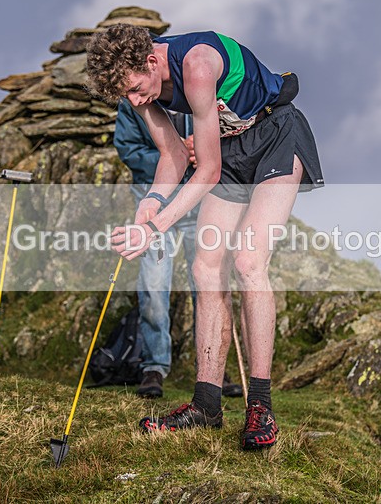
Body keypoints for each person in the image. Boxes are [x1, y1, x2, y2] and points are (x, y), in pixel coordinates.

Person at [87, 25, 324, 450]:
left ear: (151, 60)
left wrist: (153, 228)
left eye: (139, 89)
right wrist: (153, 202)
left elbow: (206, 170)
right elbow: (174, 154)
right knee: (205, 265)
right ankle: (206, 405)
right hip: (233, 149)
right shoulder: (138, 86)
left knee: (249, 261)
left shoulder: (195, 64)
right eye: (129, 96)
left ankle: (261, 407)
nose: (139, 101)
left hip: (275, 134)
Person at [114, 98, 242, 399]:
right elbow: (128, 150)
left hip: (197, 203)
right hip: (153, 208)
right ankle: (154, 367)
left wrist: (206, 149)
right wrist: (176, 154)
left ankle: (213, 370)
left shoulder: (192, 93)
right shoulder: (133, 102)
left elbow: (228, 135)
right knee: (154, 285)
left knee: (208, 285)